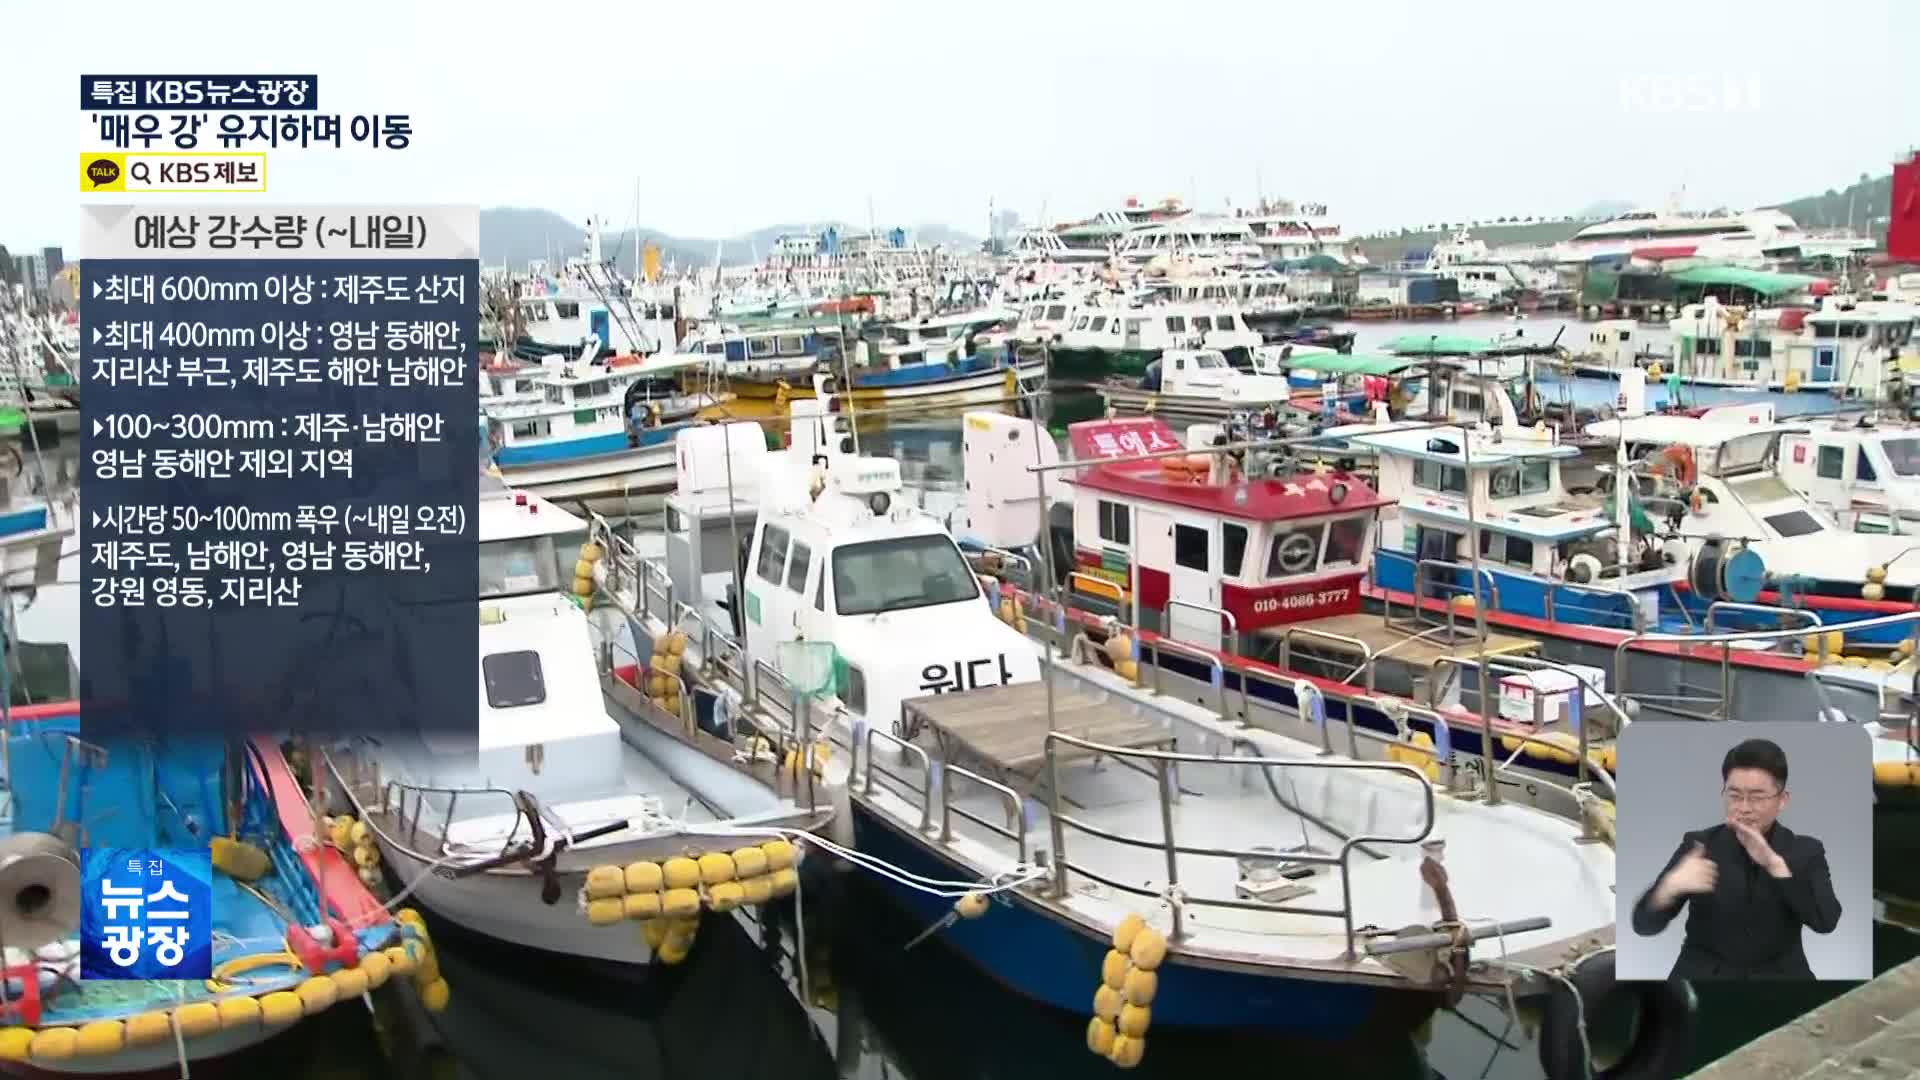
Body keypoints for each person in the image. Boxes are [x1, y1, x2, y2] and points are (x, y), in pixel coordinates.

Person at [1630, 738, 1842, 979]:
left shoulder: (1806, 850)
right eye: (1734, 796)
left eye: (1757, 797)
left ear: (1782, 800)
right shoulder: (1700, 846)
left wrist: (1775, 865)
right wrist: (1669, 888)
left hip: (1780, 976)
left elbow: (1826, 922)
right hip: (1705, 974)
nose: (1744, 807)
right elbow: (1643, 925)